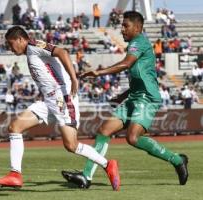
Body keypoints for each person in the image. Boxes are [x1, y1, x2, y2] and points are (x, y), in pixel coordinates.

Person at [62, 11, 188, 188]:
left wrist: (99, 72)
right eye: (122, 25)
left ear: (138, 27)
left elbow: (126, 64)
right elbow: (140, 76)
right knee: (104, 131)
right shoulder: (136, 45)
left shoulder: (139, 42)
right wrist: (122, 96)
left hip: (146, 98)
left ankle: (176, 160)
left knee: (133, 137)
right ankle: (86, 177)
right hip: (134, 96)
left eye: (125, 26)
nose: (122, 29)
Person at [0, 26, 120, 190]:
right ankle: (15, 175)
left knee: (71, 145)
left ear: (20, 39)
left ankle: (108, 164)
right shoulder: (30, 52)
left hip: (62, 99)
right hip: (48, 101)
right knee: (15, 127)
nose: (10, 48)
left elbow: (63, 52)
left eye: (10, 44)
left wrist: (74, 79)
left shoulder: (34, 46)